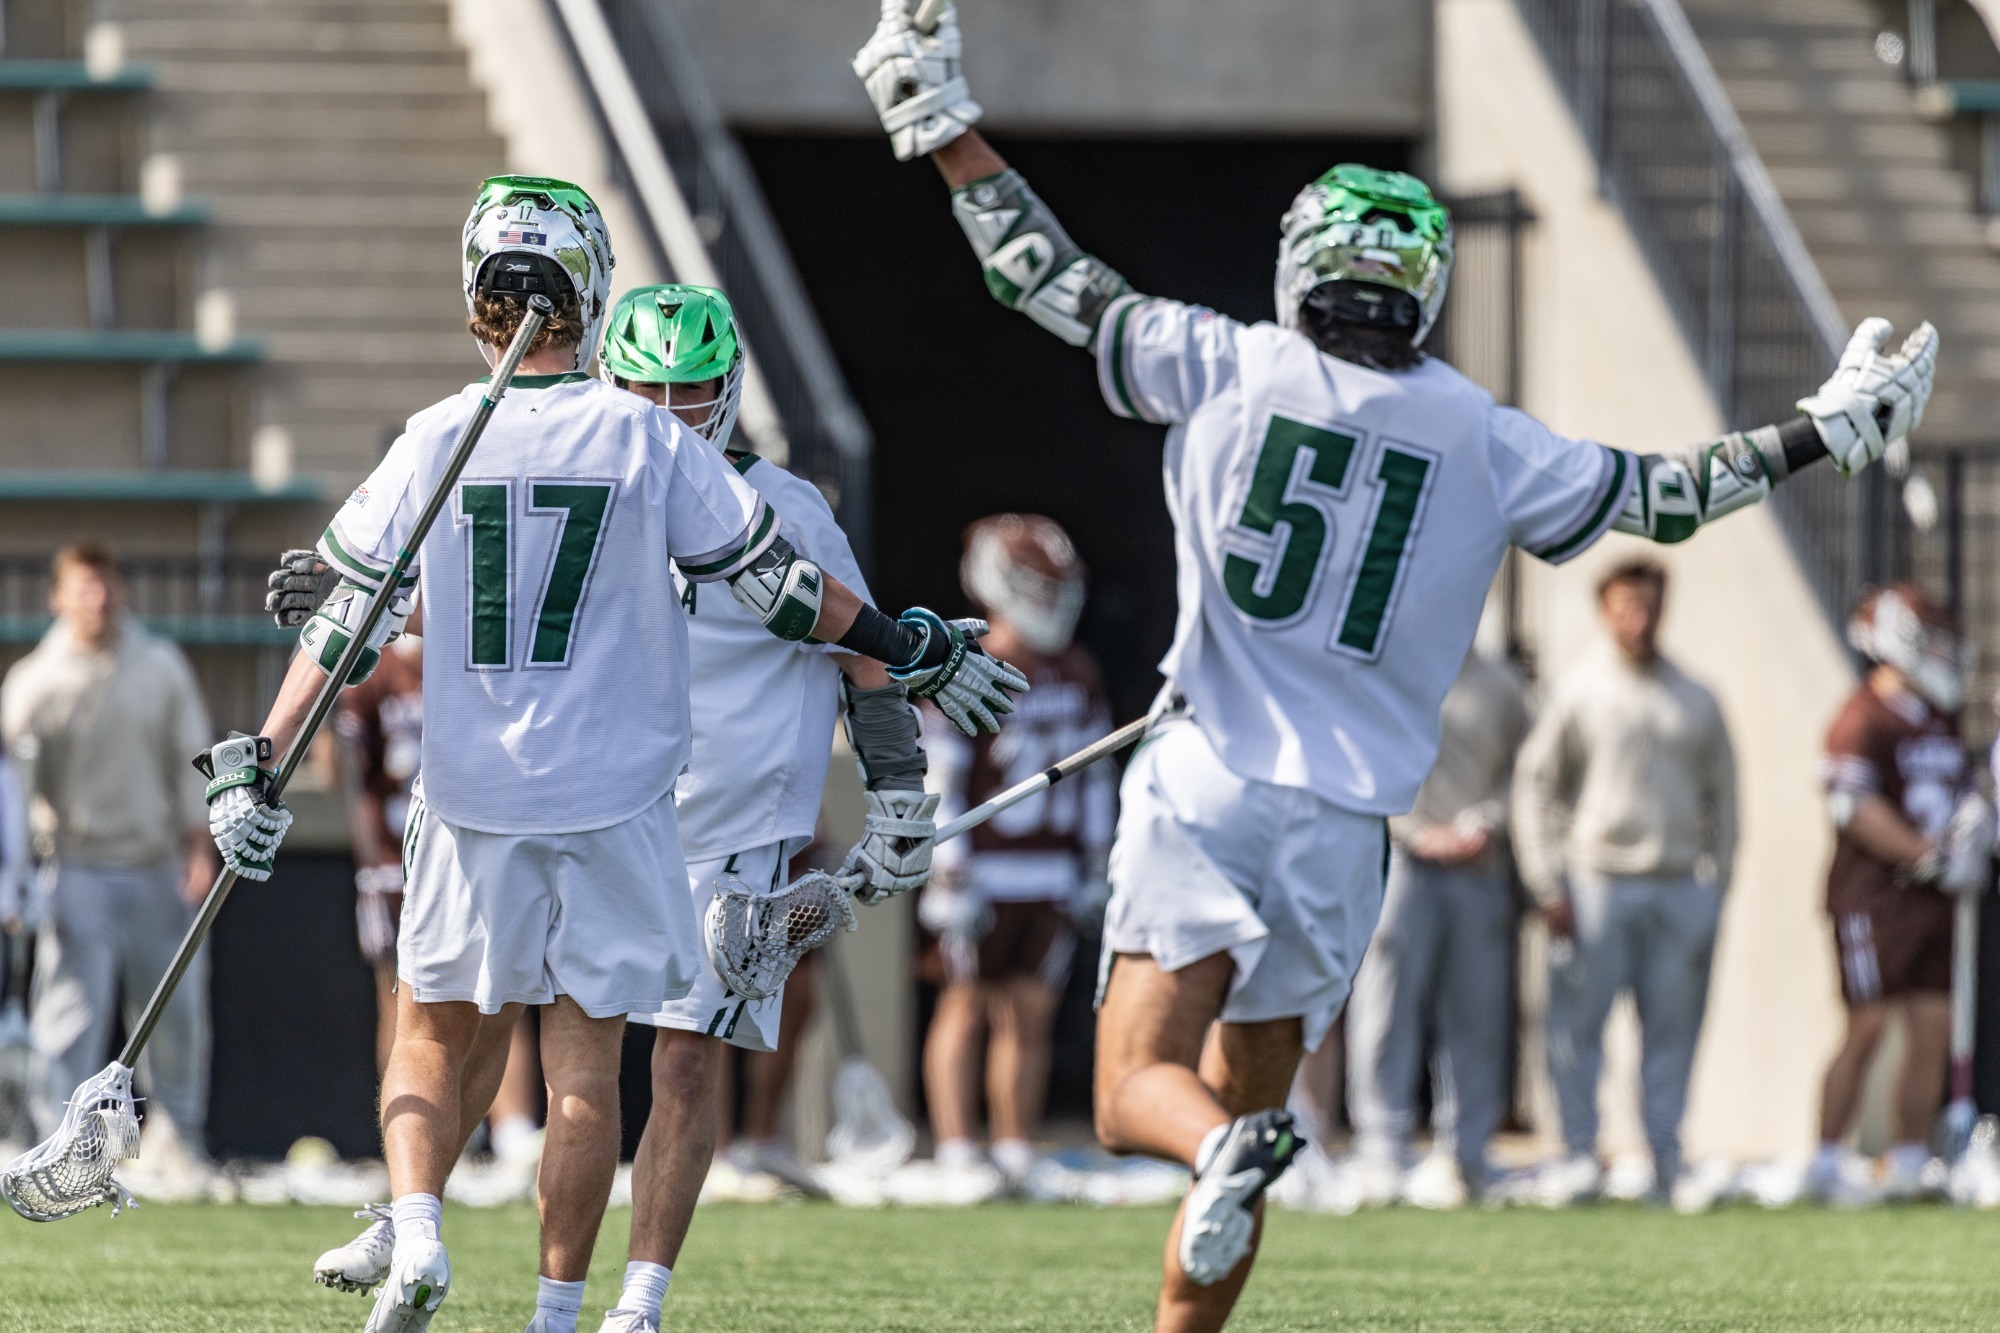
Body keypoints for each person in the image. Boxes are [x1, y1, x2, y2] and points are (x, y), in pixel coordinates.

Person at [850, 4, 1932, 1324]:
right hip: (1348, 825)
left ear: (1303, 264)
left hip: (1207, 773)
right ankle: (1223, 1189)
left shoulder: (1232, 365)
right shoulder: (1481, 432)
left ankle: (1216, 1153)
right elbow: (1669, 494)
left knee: (1150, 1081)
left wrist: (943, 126)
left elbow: (1044, 277)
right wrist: (1820, 430)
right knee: (1253, 1104)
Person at [230, 177, 1025, 1333]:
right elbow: (784, 595)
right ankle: (517, 1280)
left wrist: (270, 736)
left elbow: (389, 607)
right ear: (592, 312)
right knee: (568, 1063)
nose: (672, 400)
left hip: (603, 800)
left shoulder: (442, 433)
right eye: (653, 380)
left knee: (484, 1029)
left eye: (690, 384)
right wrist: (915, 646)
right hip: (625, 805)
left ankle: (521, 1258)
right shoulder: (644, 445)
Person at [1512, 561, 1736, 1208]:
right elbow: (1536, 783)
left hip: (1676, 883)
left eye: (1651, 604)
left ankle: (1664, 1158)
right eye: (1627, 605)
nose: (1640, 618)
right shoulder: (1578, 688)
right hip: (1595, 882)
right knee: (1578, 1028)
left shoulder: (1694, 694)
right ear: (1605, 609)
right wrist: (1545, 880)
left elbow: (1725, 796)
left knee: (1671, 1030)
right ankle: (1580, 1153)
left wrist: (1716, 886)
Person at [0, 542, 218, 1198]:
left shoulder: (160, 666)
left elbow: (191, 758)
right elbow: (12, 780)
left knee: (175, 1013)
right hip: (76, 871)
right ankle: (55, 1146)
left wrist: (200, 848)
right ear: (58, 598)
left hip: (158, 867)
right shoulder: (35, 681)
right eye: (84, 587)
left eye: (107, 585)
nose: (99, 598)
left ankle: (178, 1139)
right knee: (67, 1017)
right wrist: (18, 876)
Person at [917, 514, 1115, 1198]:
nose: (1053, 599)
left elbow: (1095, 778)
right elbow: (939, 772)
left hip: (1052, 867)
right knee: (965, 1004)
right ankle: (955, 1146)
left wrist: (1096, 862)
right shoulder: (968, 664)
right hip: (986, 866)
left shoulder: (1077, 670)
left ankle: (1013, 1145)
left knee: (1030, 1013)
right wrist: (950, 866)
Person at [332, 635, 544, 1206]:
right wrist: (369, 856)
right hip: (395, 861)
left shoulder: (477, 653)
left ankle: (513, 1132)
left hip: (471, 852)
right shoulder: (370, 671)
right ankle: (420, 1139)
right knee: (403, 1007)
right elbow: (344, 771)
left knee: (503, 992)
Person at [1807, 585, 1987, 1204]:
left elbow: (1961, 790)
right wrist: (1927, 855)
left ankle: (1908, 1160)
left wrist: (1972, 826)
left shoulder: (1938, 716)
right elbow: (1853, 807)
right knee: (1870, 1025)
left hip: (1934, 896)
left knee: (1933, 1026)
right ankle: (1826, 1161)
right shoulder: (1861, 716)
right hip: (1875, 896)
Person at [1344, 646, 1529, 1208]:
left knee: (1475, 1014)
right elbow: (1364, 759)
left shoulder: (1501, 684)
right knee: (1386, 1005)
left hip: (1479, 865)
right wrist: (1414, 830)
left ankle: (1465, 1157)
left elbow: (1524, 770)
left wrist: (1486, 823)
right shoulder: (1393, 667)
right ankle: (1381, 1149)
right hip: (1404, 858)